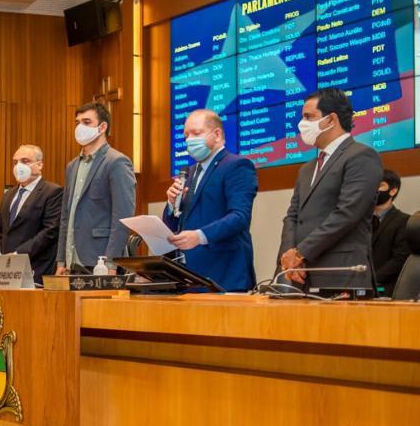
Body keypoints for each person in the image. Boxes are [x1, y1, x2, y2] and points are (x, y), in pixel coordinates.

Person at [278, 88, 384, 289]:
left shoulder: (361, 156)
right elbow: (292, 216)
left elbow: (346, 214)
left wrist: (300, 253)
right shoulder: (307, 168)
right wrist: (288, 256)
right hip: (299, 274)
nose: (302, 124)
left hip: (341, 273)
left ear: (331, 120)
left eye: (309, 117)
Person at [162, 109, 258, 291]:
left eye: (196, 133)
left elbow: (240, 217)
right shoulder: (188, 173)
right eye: (186, 135)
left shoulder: (236, 166)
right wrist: (170, 204)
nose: (189, 140)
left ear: (217, 134)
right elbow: (174, 225)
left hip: (224, 276)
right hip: (189, 276)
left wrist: (199, 236)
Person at [55, 102, 136, 274]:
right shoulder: (72, 166)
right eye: (77, 122)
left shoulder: (117, 162)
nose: (79, 127)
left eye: (86, 122)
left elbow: (122, 218)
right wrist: (61, 260)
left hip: (100, 261)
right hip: (71, 262)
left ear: (102, 127)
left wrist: (111, 263)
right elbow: (65, 217)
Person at [0, 144, 63, 282]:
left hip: (35, 268)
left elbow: (50, 231)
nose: (19, 166)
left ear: (40, 165)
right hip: (5, 271)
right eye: (15, 162)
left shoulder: (53, 192)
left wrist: (19, 254)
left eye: (25, 161)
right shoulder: (8, 195)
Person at [372, 169, 411, 294]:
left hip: (386, 290)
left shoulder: (404, 220)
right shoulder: (359, 220)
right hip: (357, 287)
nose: (374, 189)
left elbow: (400, 259)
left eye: (380, 185)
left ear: (393, 191)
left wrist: (372, 279)